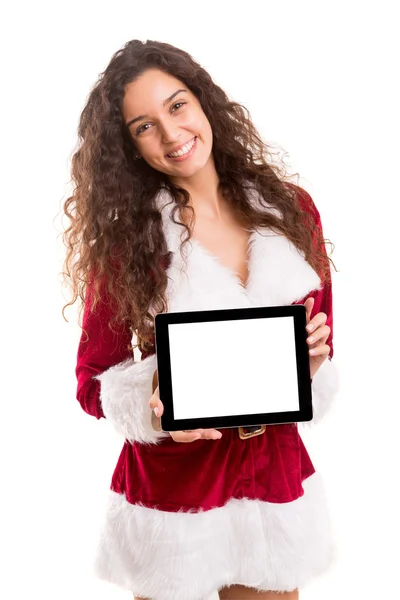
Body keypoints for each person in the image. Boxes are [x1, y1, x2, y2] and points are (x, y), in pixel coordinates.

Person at [62, 39, 339, 600]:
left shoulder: (290, 210)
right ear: (129, 146)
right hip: (174, 496)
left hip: (272, 479)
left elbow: (322, 338)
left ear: (204, 102)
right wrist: (158, 408)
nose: (170, 133)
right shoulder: (128, 242)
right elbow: (93, 381)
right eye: (143, 126)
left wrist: (310, 362)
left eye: (177, 105)